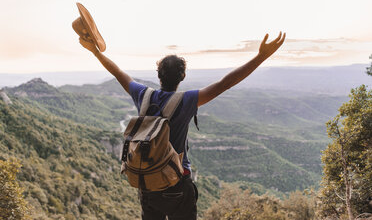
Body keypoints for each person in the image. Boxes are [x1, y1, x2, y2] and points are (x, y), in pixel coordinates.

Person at [78, 32, 285, 220]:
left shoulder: (143, 95)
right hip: (176, 183)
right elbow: (225, 83)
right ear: (183, 76)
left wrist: (96, 51)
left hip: (147, 183)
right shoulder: (186, 101)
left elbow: (117, 72)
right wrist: (261, 57)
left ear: (158, 74)